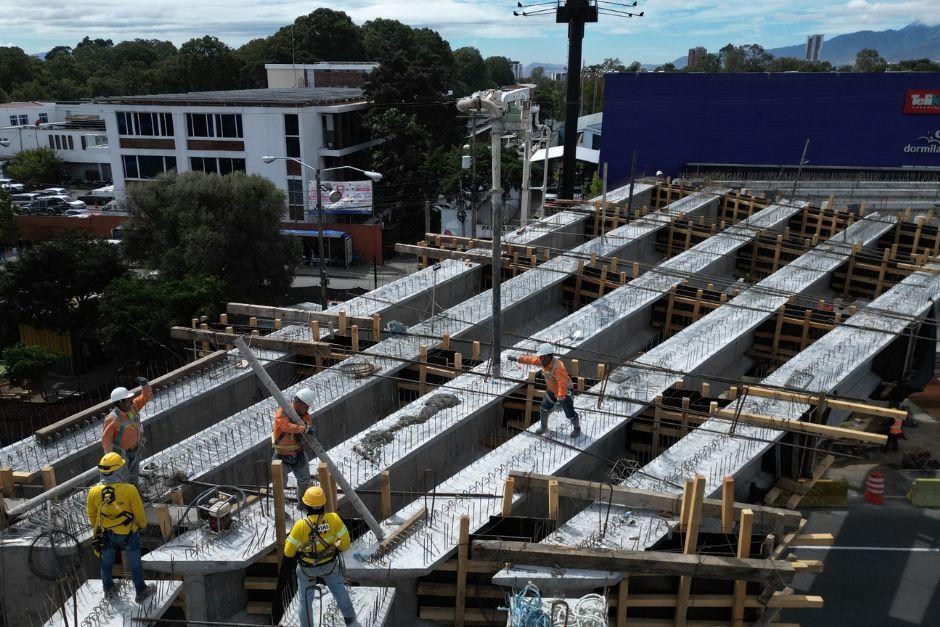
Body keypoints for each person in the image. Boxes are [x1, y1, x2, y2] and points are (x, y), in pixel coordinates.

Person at [86, 452, 155, 603]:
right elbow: (139, 513)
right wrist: (142, 526)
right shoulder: (129, 489)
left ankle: (109, 589)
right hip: (129, 533)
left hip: (106, 534)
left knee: (107, 563)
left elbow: (92, 515)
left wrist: (99, 528)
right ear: (118, 470)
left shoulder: (93, 491)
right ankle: (141, 591)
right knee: (134, 563)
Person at [283, 486, 357, 627]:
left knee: (304, 601)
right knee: (339, 589)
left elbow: (288, 553)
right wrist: (334, 546)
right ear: (323, 503)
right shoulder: (333, 519)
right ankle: (350, 618)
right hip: (329, 565)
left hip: (307, 569)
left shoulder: (300, 526)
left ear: (306, 505)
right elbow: (345, 543)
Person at [508, 343, 581, 437]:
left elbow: (562, 384)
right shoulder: (543, 361)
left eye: (542, 357)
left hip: (564, 394)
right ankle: (544, 427)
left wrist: (560, 399)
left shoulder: (558, 367)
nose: (540, 359)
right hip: (551, 391)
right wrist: (517, 359)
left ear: (549, 356)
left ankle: (577, 428)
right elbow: (531, 360)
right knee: (543, 408)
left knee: (570, 414)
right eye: (540, 357)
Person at [102, 377, 151, 485]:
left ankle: (136, 493)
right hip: (122, 455)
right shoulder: (113, 419)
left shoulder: (132, 409)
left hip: (135, 451)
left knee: (134, 476)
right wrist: (111, 459)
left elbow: (145, 397)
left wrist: (145, 386)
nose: (130, 401)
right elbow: (106, 440)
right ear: (119, 402)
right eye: (127, 399)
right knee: (123, 479)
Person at [273, 388, 317, 498]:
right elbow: (286, 427)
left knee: (304, 481)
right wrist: (303, 428)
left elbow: (308, 426)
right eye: (306, 406)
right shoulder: (283, 412)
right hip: (281, 455)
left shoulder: (306, 416)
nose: (307, 409)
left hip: (298, 454)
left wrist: (308, 429)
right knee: (279, 484)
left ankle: (302, 505)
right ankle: (280, 510)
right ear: (297, 403)